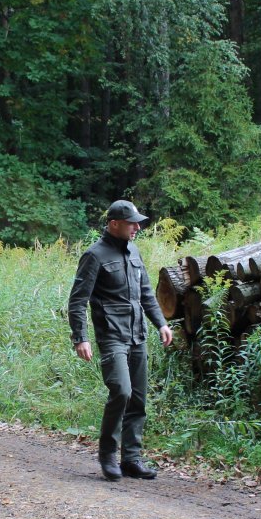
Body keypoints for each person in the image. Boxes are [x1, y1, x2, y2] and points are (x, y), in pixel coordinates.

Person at [68, 200, 173, 481]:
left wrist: (160, 323)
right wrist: (81, 338)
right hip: (112, 336)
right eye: (132, 223)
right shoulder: (95, 255)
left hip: (137, 335)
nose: (137, 227)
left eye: (138, 222)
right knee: (122, 392)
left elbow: (146, 294)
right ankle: (107, 454)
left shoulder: (134, 251)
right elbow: (78, 301)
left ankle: (132, 459)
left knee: (138, 399)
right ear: (114, 224)